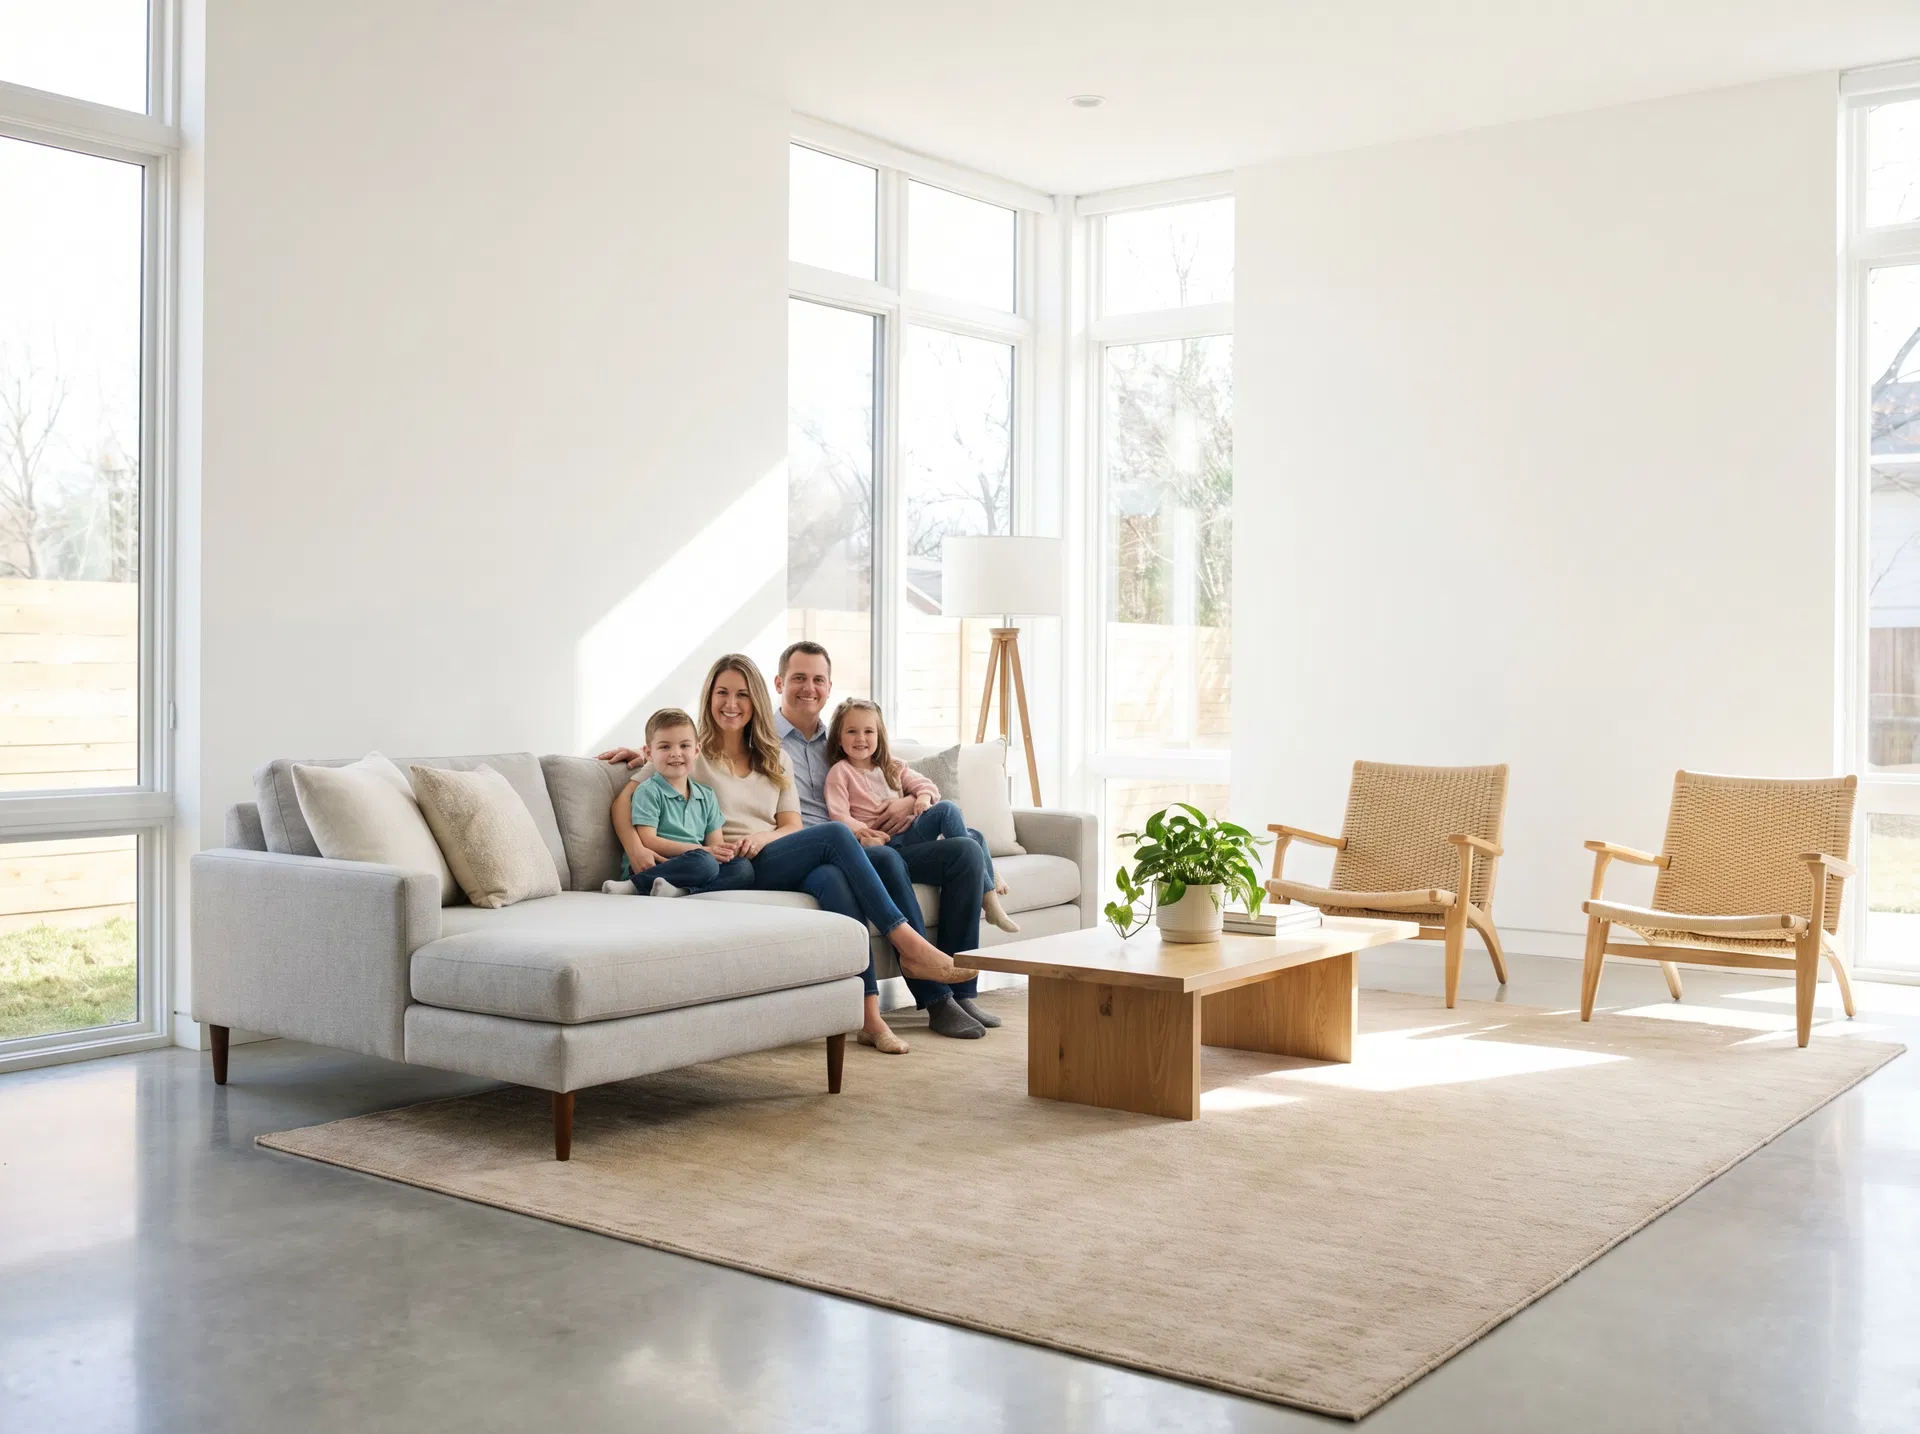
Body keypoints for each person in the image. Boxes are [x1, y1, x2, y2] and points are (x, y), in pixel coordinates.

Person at [606, 654, 973, 1055]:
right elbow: (627, 797)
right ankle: (909, 945)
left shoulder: (774, 755)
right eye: (722, 693)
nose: (731, 703)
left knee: (835, 879)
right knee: (836, 834)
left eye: (742, 694)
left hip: (772, 852)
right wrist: (636, 847)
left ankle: (870, 1018)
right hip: (735, 864)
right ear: (709, 697)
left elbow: (791, 825)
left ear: (756, 700)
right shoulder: (694, 752)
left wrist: (765, 837)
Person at [823, 696, 1018, 934]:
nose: (861, 738)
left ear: (879, 736)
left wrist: (922, 798)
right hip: (888, 844)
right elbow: (839, 815)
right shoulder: (840, 772)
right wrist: (865, 833)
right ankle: (987, 884)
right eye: (852, 731)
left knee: (952, 814)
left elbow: (927, 786)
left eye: (868, 731)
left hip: (912, 833)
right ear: (839, 738)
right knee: (971, 838)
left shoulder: (893, 765)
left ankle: (986, 885)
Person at [604, 708, 753, 898]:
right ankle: (635, 884)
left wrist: (724, 852)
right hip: (658, 864)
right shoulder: (649, 790)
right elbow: (649, 840)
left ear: (696, 750)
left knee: (743, 869)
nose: (676, 753)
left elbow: (715, 845)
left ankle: (680, 891)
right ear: (648, 753)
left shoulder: (707, 795)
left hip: (694, 864)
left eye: (684, 746)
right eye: (665, 747)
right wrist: (703, 851)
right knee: (704, 863)